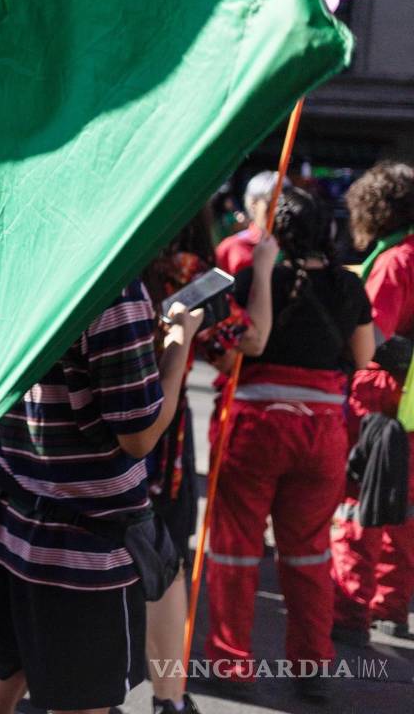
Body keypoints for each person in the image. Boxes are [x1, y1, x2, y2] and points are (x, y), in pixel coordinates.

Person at [0, 281, 204, 714]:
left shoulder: (12, 266)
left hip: (13, 516)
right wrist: (178, 343)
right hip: (82, 547)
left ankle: (171, 699)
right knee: (80, 705)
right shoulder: (112, 288)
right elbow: (139, 435)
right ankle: (172, 701)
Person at [204, 188, 374, 701]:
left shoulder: (255, 278)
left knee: (235, 550)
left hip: (253, 426)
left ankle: (231, 662)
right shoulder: (348, 286)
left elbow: (230, 350)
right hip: (321, 431)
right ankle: (313, 664)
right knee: (308, 553)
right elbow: (363, 359)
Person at [141, 217, 277, 714]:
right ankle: (168, 697)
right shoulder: (186, 269)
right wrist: (263, 268)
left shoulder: (98, 261)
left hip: (75, 432)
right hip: (157, 438)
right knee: (163, 564)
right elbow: (247, 342)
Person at [330, 162, 414, 644]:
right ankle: (391, 606)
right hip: (409, 406)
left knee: (360, 503)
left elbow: (372, 337)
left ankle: (350, 611)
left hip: (382, 403)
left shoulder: (395, 261)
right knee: (403, 507)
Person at [215, 171, 289, 275]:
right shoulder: (231, 248)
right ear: (254, 204)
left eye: (285, 205)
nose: (279, 210)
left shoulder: (296, 244)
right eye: (272, 204)